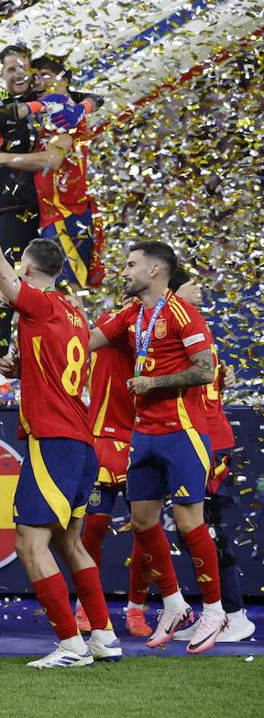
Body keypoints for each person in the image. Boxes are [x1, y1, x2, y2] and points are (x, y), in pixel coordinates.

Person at [0, 170, 121, 668]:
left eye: (20, 266)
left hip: (53, 438)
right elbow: (59, 358)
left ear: (30, 269)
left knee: (29, 543)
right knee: (70, 543)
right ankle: (102, 635)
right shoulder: (71, 310)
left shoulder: (36, 304)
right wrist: (24, 365)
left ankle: (70, 644)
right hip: (80, 440)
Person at [88, 241, 225, 653]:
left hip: (182, 432)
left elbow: (205, 369)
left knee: (188, 524)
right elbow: (88, 339)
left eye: (131, 264)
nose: (123, 271)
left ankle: (214, 611)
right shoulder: (132, 314)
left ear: (155, 271)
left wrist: (154, 383)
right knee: (143, 522)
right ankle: (173, 603)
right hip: (142, 435)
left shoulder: (182, 313)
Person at [0, 45, 102, 362]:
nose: (23, 75)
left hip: (59, 215)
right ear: (2, 75)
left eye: (31, 71)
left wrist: (81, 107)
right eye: (12, 69)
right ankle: (3, 362)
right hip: (12, 210)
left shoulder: (64, 112)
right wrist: (47, 104)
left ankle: (70, 360)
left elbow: (92, 97)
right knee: (12, 283)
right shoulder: (3, 103)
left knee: (57, 288)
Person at [168, 272, 254, 644]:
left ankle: (232, 614)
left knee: (206, 530)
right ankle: (218, 611)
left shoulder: (187, 328)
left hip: (210, 441)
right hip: (198, 438)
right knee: (194, 531)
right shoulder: (186, 329)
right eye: (191, 284)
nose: (199, 289)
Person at [77, 304, 148, 636]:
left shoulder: (165, 330)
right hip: (102, 439)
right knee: (92, 529)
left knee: (145, 532)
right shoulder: (112, 323)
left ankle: (136, 609)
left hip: (144, 439)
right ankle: (86, 607)